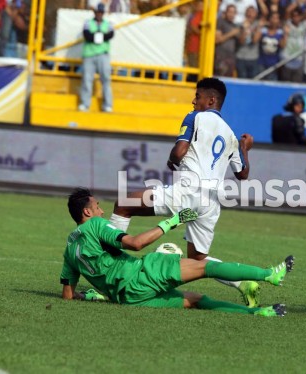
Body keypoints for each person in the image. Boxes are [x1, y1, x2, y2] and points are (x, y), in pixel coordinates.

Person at [109, 78, 263, 308]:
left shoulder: (195, 117)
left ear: (211, 100)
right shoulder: (231, 135)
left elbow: (179, 151)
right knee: (196, 258)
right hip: (211, 202)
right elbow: (242, 175)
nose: (193, 101)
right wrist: (244, 149)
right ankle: (243, 283)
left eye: (198, 96)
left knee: (124, 203)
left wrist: (173, 160)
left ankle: (109, 270)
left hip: (187, 192)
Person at [60, 188, 294, 317]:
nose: (101, 211)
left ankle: (258, 313)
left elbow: (68, 296)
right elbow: (136, 243)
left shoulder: (69, 250)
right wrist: (172, 221)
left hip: (129, 299)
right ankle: (269, 274)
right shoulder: (95, 225)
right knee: (204, 266)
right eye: (98, 207)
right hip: (142, 276)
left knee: (196, 300)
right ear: (87, 212)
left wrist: (87, 295)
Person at [79, 3, 114, 113]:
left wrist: (97, 36)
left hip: (103, 54)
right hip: (89, 54)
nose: (99, 14)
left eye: (101, 12)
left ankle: (107, 105)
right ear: (95, 13)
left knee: (106, 79)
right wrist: (99, 36)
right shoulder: (88, 23)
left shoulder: (108, 23)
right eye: (98, 12)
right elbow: (86, 35)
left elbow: (111, 35)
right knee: (87, 79)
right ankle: (85, 104)